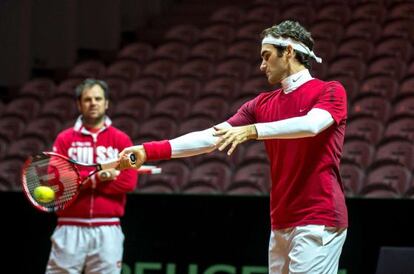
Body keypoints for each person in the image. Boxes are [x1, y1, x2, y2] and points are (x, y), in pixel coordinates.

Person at [119, 20, 348, 274]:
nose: (262, 65)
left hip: (319, 216)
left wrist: (252, 131)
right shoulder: (261, 104)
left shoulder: (331, 91)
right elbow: (211, 137)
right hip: (281, 220)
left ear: (290, 52)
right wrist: (148, 150)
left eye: (267, 56)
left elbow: (311, 125)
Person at [46, 78, 138, 274]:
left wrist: (79, 180)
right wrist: (98, 178)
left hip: (108, 227)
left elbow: (129, 181)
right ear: (79, 104)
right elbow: (56, 181)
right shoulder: (65, 139)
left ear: (106, 103)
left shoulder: (121, 139)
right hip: (69, 226)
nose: (93, 103)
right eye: (87, 99)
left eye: (98, 98)